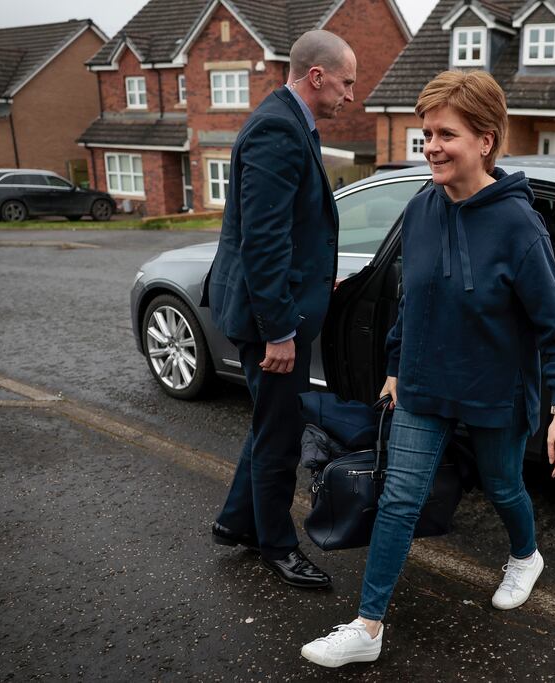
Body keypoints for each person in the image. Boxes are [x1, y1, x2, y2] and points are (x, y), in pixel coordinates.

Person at [300, 70, 555, 667]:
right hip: (425, 384)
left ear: (485, 141)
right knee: (400, 498)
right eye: (426, 132)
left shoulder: (518, 225)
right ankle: (368, 627)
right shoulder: (422, 211)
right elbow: (415, 299)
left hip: (495, 389)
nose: (431, 145)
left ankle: (525, 556)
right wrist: (394, 365)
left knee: (505, 485)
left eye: (446, 134)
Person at [202, 30, 356, 589]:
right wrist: (280, 331)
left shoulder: (290, 121)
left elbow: (290, 228)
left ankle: (236, 523)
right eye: (346, 83)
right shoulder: (277, 129)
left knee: (271, 422)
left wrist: (318, 278)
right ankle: (276, 545)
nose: (350, 95)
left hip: (277, 305)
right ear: (316, 77)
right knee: (279, 434)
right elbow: (262, 242)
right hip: (268, 319)